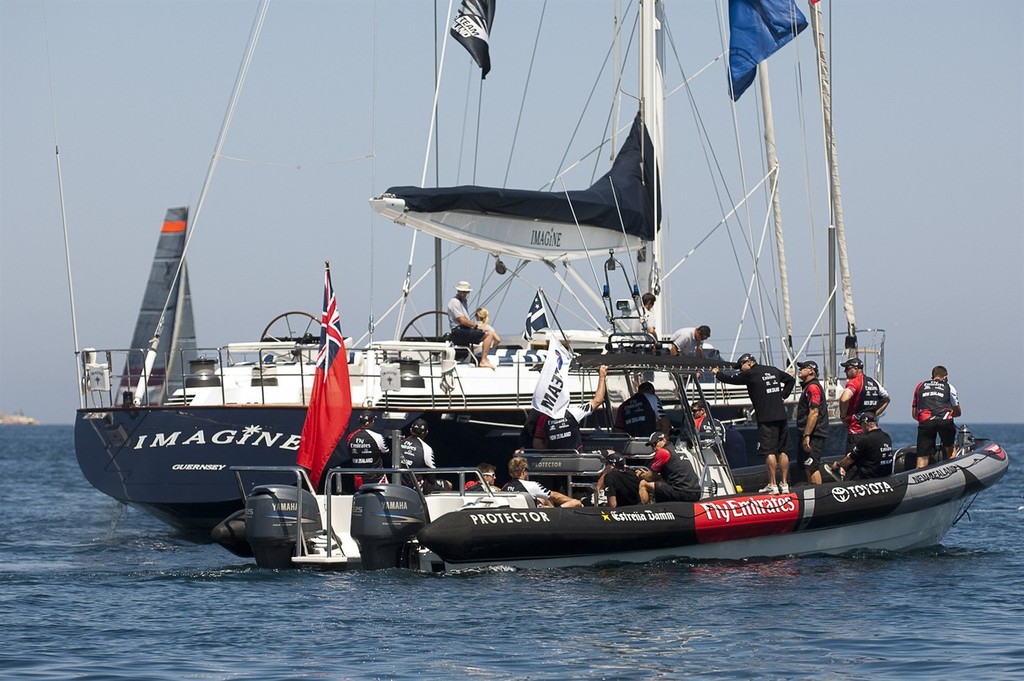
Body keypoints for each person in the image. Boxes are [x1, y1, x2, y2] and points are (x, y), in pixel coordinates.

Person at [712, 353, 796, 494]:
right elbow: (791, 380)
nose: (740, 370)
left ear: (749, 363)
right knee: (782, 450)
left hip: (765, 417)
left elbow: (729, 379)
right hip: (781, 416)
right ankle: (785, 484)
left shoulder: (750, 374)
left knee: (769, 451)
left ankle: (773, 484)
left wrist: (717, 373)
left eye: (741, 366)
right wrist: (783, 395)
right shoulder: (773, 370)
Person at [534, 364, 608, 451]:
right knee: (611, 452)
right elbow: (598, 400)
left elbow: (538, 444)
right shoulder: (574, 412)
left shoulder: (543, 418)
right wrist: (602, 376)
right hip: (577, 460)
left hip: (556, 461)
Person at [838, 357, 890, 455]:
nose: (845, 371)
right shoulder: (874, 382)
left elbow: (844, 399)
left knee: (852, 462)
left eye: (847, 369)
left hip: (856, 430)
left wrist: (843, 416)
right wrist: (874, 415)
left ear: (856, 369)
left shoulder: (854, 382)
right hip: (871, 431)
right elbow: (886, 399)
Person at [911, 365, 962, 468]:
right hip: (945, 420)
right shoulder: (949, 387)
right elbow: (958, 411)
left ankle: (919, 478)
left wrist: (925, 420)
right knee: (950, 447)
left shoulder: (920, 386)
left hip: (926, 420)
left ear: (932, 377)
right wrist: (951, 414)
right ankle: (953, 471)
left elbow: (914, 413)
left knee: (922, 456)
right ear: (946, 376)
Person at [825, 412, 893, 481]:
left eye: (861, 424)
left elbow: (850, 459)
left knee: (853, 461)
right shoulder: (887, 437)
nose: (861, 427)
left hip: (869, 478)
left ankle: (845, 480)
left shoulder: (866, 439)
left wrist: (838, 465)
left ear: (865, 423)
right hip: (884, 476)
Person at [637, 431, 701, 503]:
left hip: (682, 492)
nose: (654, 448)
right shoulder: (678, 450)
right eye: (652, 446)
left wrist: (640, 474)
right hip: (696, 492)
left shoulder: (663, 452)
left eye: (655, 444)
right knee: (661, 482)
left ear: (663, 440)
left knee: (643, 484)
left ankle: (645, 511)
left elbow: (651, 477)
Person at [447, 280, 498, 369]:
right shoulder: (455, 302)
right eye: (462, 292)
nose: (464, 294)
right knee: (488, 334)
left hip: (463, 329)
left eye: (466, 292)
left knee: (484, 331)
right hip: (458, 331)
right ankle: (483, 361)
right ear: (458, 291)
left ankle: (475, 359)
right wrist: (476, 326)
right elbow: (462, 320)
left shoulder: (463, 301)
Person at [796, 360, 829, 485]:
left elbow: (814, 412)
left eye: (803, 368)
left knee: (812, 466)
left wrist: (807, 435)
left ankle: (817, 493)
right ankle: (811, 490)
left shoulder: (813, 387)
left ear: (811, 371)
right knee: (807, 466)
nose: (800, 370)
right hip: (810, 433)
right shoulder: (808, 387)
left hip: (814, 434)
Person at [502, 455, 582, 507]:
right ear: (523, 471)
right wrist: (571, 500)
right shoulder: (531, 485)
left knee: (543, 500)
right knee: (575, 503)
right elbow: (555, 496)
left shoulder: (505, 487)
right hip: (534, 518)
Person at [399, 418, 450, 493]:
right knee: (448, 484)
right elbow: (432, 475)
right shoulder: (427, 448)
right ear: (426, 432)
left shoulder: (398, 443)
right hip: (415, 487)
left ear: (410, 430)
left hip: (397, 484)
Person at [345, 410, 389, 491]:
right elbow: (386, 453)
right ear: (372, 421)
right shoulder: (378, 437)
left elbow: (349, 453)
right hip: (377, 477)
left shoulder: (350, 437)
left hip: (359, 478)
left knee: (362, 500)